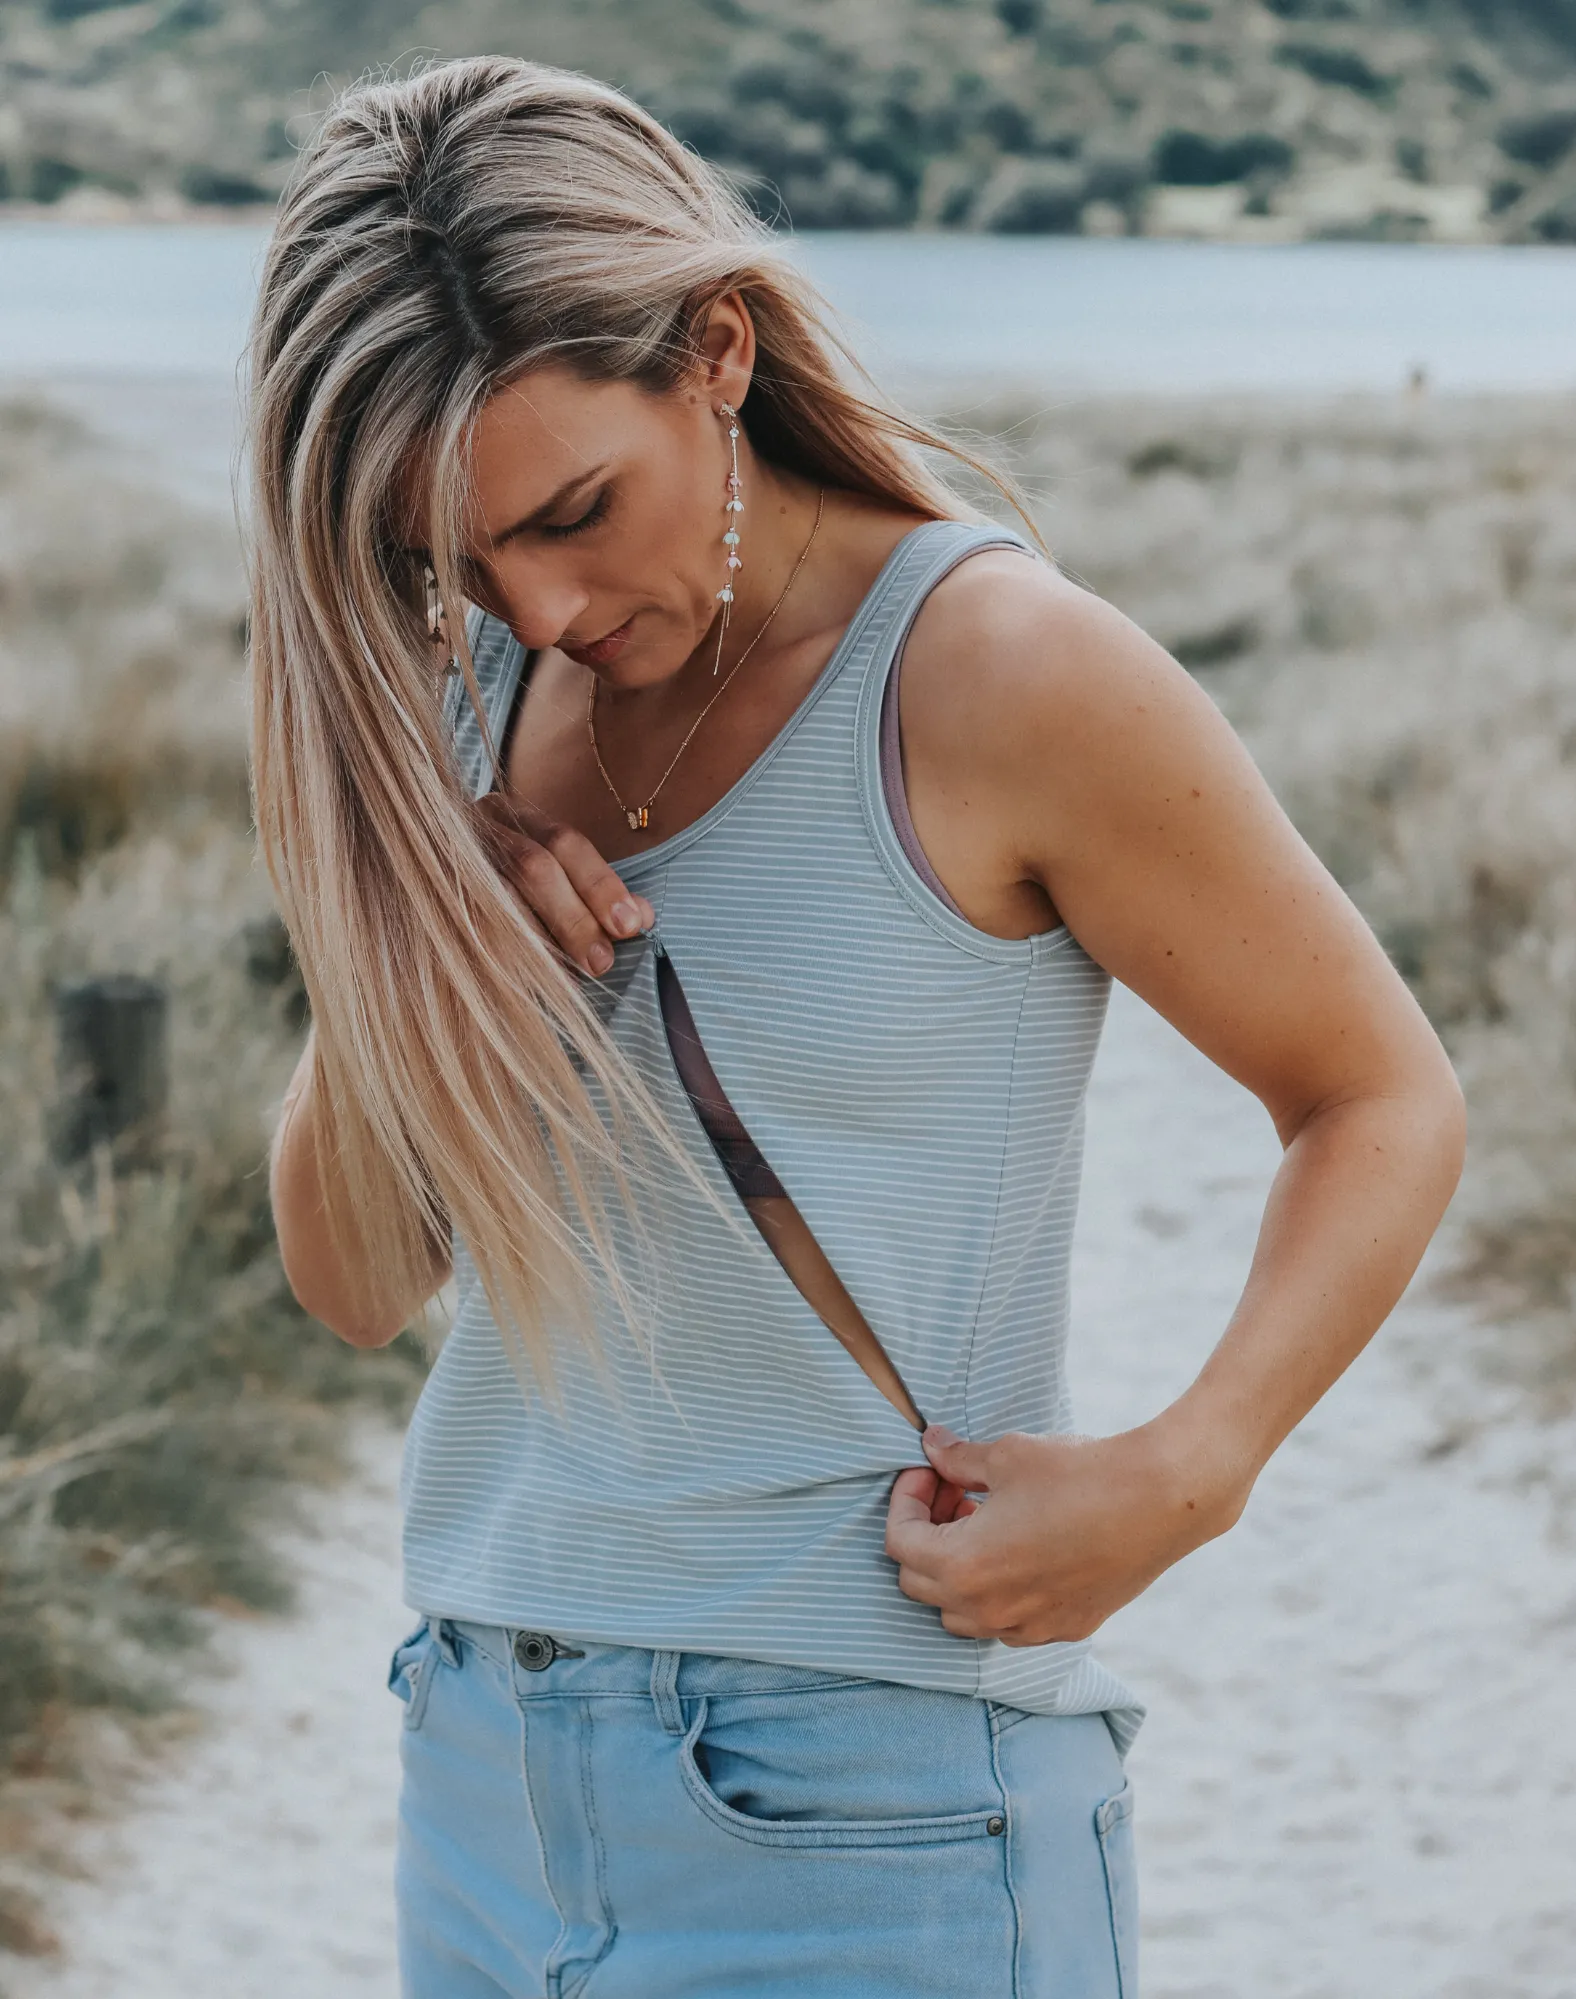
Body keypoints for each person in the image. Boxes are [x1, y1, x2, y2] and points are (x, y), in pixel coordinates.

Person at [254, 56, 1465, 1999]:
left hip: (869, 1803)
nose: (541, 607)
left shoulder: (996, 674)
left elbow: (1374, 1094)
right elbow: (347, 1281)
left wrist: (1187, 1471)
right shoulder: (476, 695)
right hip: (480, 1770)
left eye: (576, 510)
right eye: (458, 557)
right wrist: (416, 945)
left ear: (714, 348)